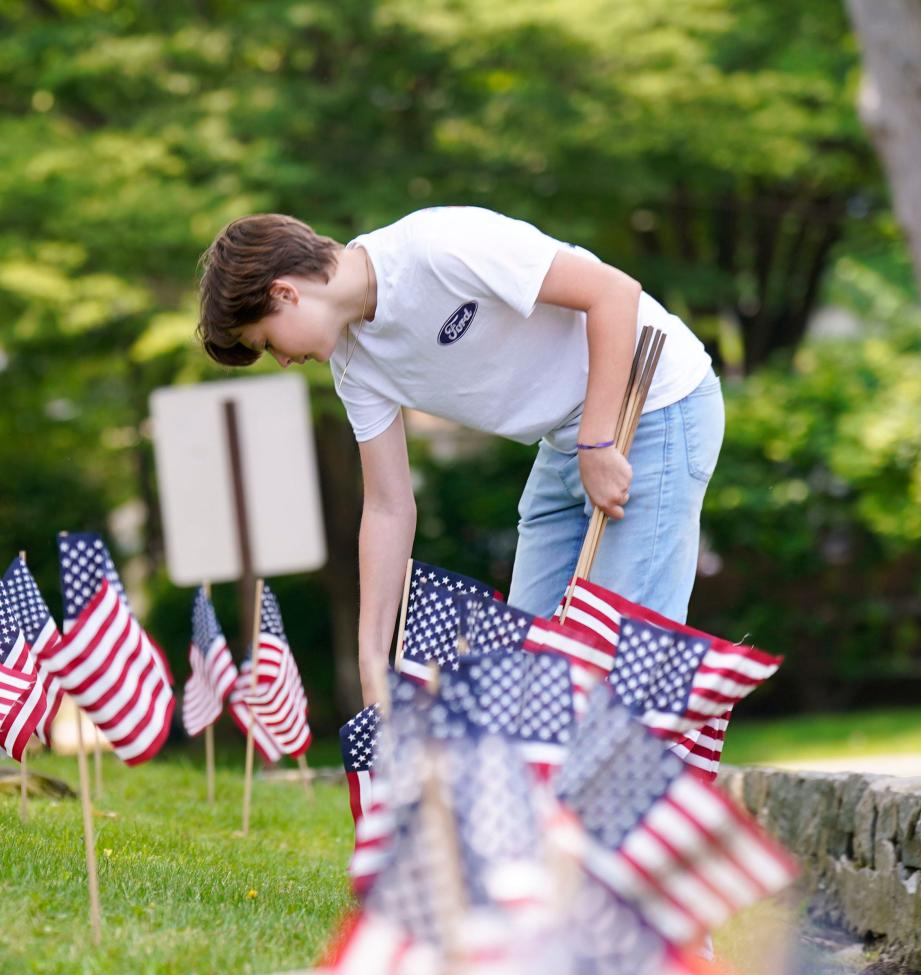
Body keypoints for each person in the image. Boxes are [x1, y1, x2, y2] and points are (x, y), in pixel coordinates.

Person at [197, 206, 724, 704]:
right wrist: (371, 652)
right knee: (522, 675)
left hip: (654, 403)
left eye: (267, 343)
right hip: (568, 440)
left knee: (625, 665)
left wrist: (598, 442)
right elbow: (387, 505)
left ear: (285, 293)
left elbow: (613, 291)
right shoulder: (353, 364)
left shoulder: (437, 248)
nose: (285, 361)